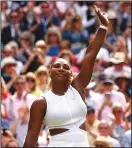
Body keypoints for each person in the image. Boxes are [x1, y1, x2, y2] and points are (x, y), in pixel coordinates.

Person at [23, 5, 109, 147]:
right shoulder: (41, 103)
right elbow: (30, 140)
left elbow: (90, 54)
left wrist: (103, 27)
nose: (61, 69)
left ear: (71, 73)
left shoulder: (78, 87)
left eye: (66, 67)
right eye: (57, 66)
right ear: (49, 71)